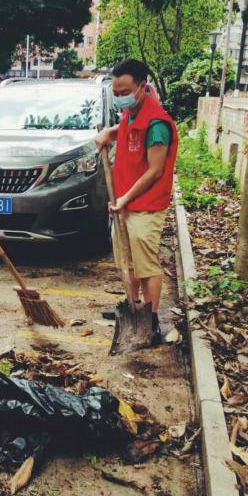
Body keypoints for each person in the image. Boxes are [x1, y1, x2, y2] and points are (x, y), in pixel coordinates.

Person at [95, 59, 178, 344]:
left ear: (143, 87)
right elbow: (129, 128)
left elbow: (155, 171)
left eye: (125, 92)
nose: (120, 98)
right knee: (127, 262)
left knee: (145, 266)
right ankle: (131, 308)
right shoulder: (133, 111)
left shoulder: (157, 124)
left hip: (146, 206)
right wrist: (111, 132)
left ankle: (151, 321)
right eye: (115, 93)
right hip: (125, 204)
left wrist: (124, 198)